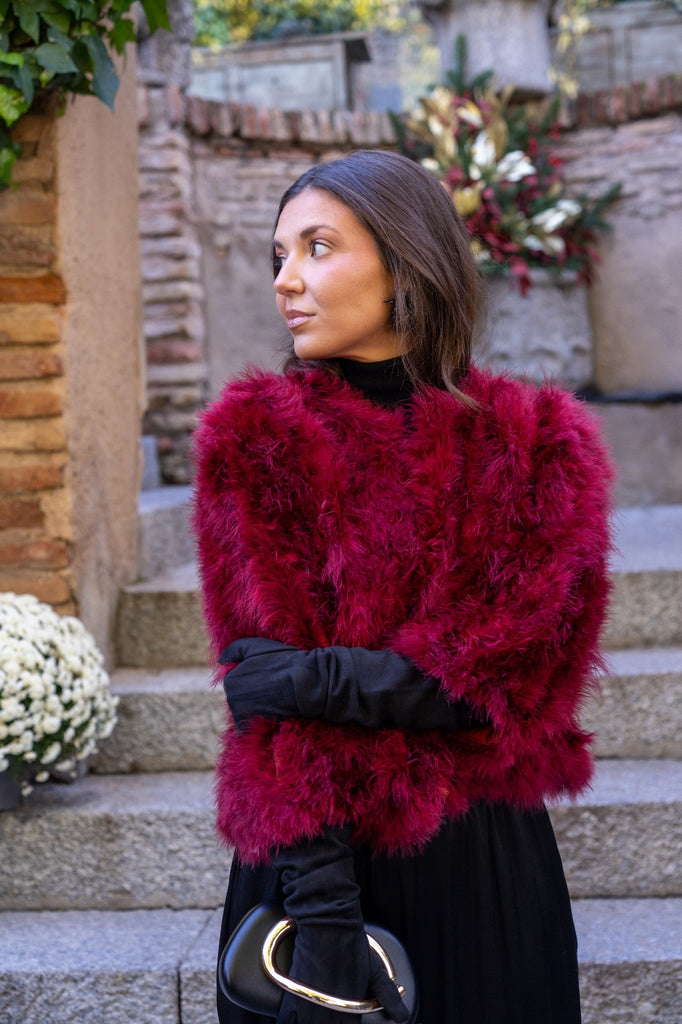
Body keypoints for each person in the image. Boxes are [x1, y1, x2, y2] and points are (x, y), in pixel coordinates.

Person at [192, 149, 613, 1024]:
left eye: (317, 248)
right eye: (279, 255)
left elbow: (516, 680)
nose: (285, 280)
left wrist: (312, 678)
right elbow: (263, 707)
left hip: (479, 872)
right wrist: (325, 928)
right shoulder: (253, 438)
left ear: (403, 262)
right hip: (307, 873)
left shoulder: (537, 445)